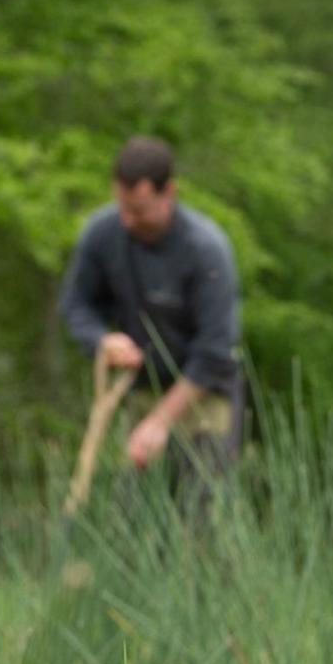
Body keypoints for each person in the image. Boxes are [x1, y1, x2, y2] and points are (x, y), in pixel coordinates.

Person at [57, 137, 245, 494]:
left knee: (200, 509)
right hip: (140, 390)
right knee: (132, 514)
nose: (128, 220)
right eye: (122, 206)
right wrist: (102, 340)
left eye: (140, 210)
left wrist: (160, 422)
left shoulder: (206, 249)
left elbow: (215, 350)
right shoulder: (102, 233)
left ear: (168, 192)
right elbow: (76, 305)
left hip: (204, 395)